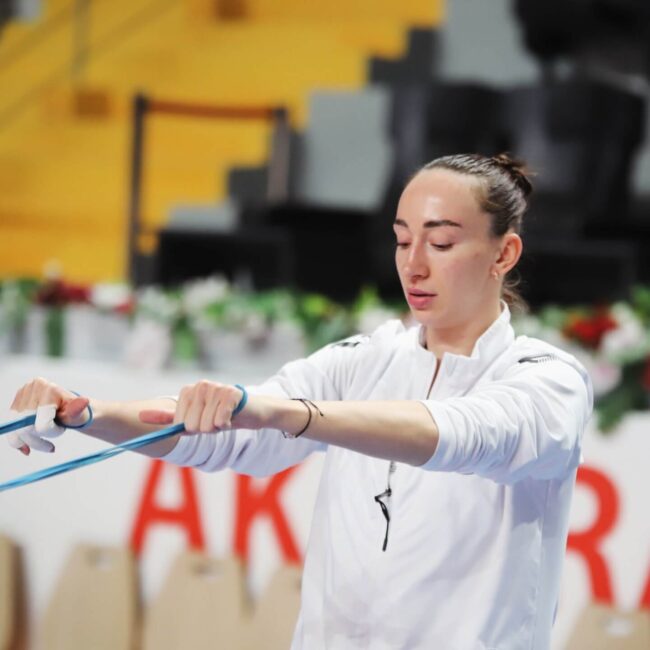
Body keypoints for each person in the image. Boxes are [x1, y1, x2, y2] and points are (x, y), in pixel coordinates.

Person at [8, 153, 593, 649]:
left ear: (504, 254)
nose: (413, 265)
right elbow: (226, 431)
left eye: (441, 242)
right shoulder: (367, 358)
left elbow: (466, 433)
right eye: (402, 240)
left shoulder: (548, 380)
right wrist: (87, 413)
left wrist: (294, 415)